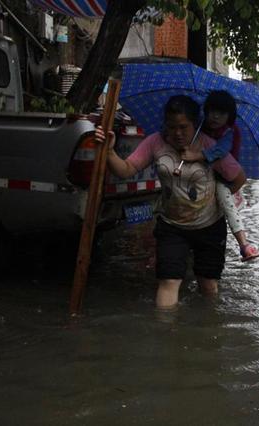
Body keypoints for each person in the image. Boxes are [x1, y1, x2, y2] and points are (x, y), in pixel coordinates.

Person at [95, 95, 246, 309]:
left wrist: (218, 196)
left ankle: (209, 330)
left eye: (183, 127)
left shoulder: (210, 147)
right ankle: (166, 330)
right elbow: (126, 170)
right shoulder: (155, 142)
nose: (177, 133)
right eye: (171, 126)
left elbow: (239, 178)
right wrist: (109, 151)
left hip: (210, 227)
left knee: (208, 285)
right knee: (168, 281)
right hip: (172, 226)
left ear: (195, 124)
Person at [180, 90, 259, 262]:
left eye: (222, 113)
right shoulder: (200, 126)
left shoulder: (230, 131)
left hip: (222, 177)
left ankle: (244, 244)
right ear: (206, 110)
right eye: (212, 111)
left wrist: (197, 156)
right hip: (201, 173)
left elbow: (220, 151)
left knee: (225, 200)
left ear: (229, 116)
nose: (215, 117)